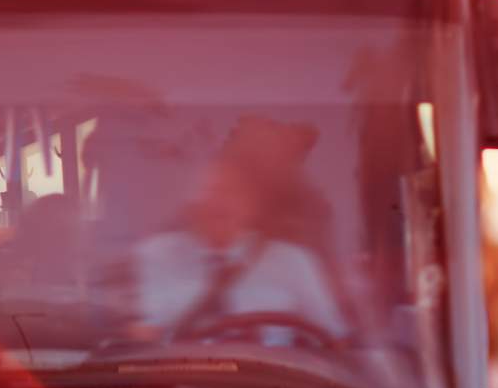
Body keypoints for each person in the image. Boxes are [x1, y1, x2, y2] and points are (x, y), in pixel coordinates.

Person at [132, 118, 346, 347]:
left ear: (254, 205)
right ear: (190, 200)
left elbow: (335, 341)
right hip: (175, 379)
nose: (220, 203)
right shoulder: (153, 255)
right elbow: (129, 336)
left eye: (234, 192)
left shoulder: (293, 262)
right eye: (211, 190)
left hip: (270, 380)